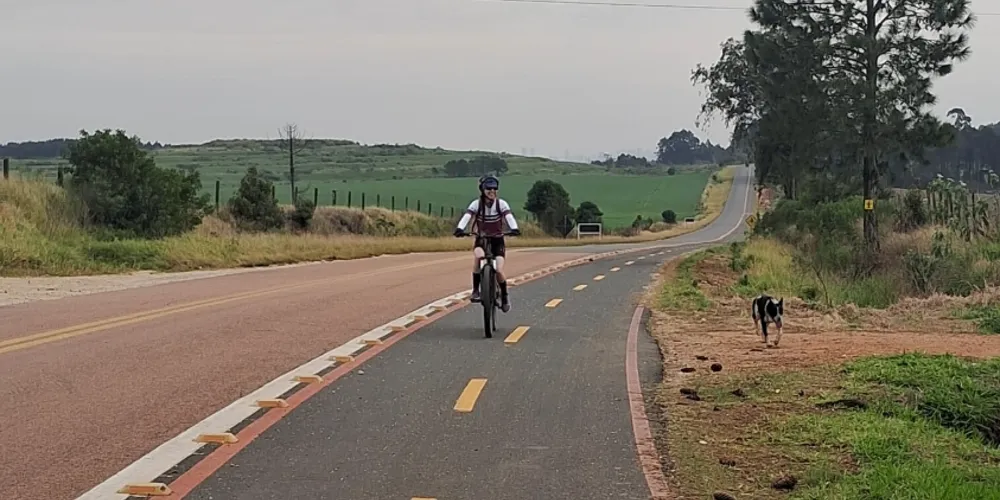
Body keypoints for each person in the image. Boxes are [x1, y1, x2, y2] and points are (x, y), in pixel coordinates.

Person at [453, 174, 521, 311]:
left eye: (494, 188)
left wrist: (514, 228)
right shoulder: (476, 204)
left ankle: (505, 296)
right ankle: (476, 290)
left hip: (498, 240)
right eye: (488, 188)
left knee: (499, 270)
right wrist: (460, 228)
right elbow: (467, 216)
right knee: (478, 257)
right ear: (482, 190)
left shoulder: (501, 204)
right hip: (481, 238)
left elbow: (509, 216)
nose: (492, 191)